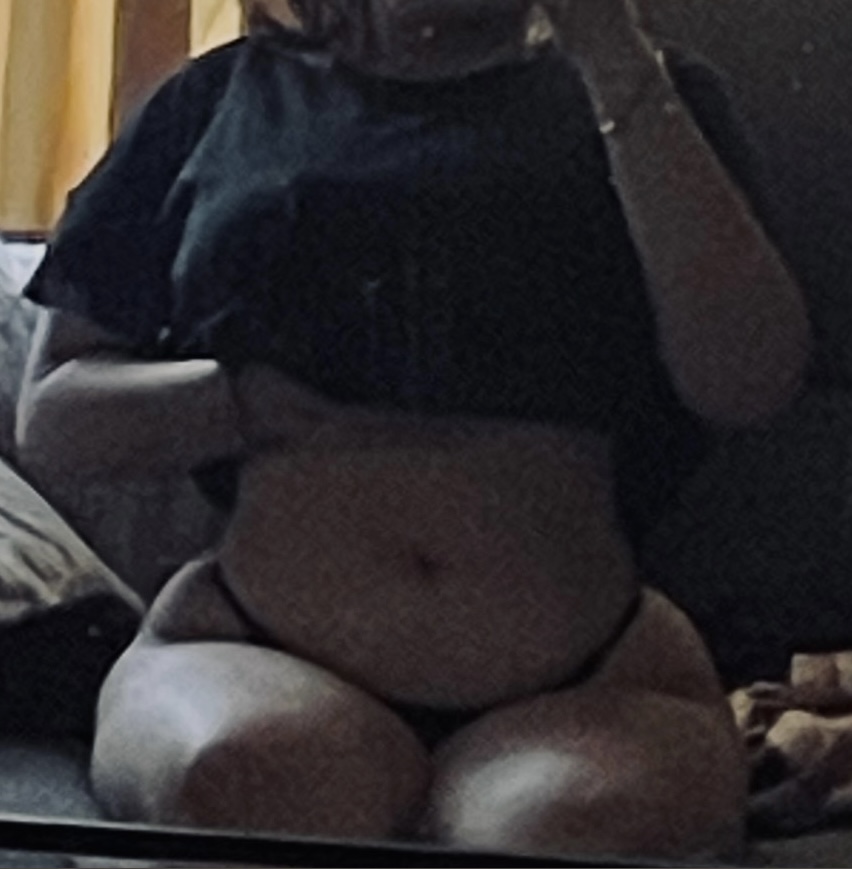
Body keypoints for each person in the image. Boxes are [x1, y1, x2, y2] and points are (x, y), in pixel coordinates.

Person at [15, 0, 810, 860]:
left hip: (590, 680)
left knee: (560, 826)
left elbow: (748, 381)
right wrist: (247, 403)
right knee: (252, 774)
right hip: (253, 648)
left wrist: (610, 52)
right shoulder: (218, 101)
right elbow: (55, 413)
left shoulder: (657, 100)